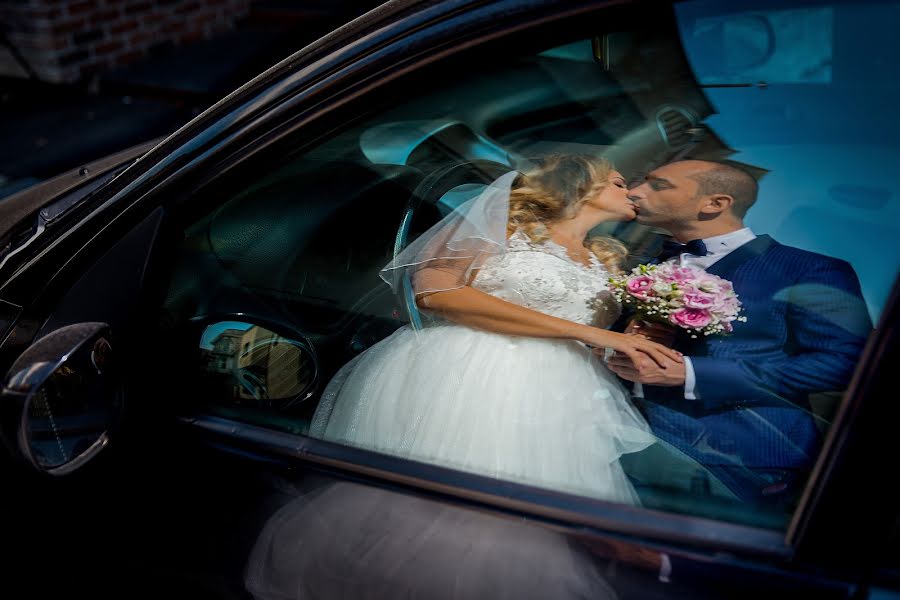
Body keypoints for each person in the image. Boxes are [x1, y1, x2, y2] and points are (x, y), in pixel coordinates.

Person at [309, 155, 681, 505]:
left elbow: (589, 331)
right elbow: (436, 292)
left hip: (570, 393)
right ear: (581, 185)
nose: (632, 192)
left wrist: (627, 341)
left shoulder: (605, 258)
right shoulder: (503, 227)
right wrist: (595, 334)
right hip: (476, 370)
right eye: (619, 183)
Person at [606, 159, 872, 505]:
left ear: (714, 203)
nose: (635, 191)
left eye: (658, 185)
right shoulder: (642, 268)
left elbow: (847, 364)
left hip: (738, 460)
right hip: (623, 444)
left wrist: (693, 374)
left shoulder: (809, 269)